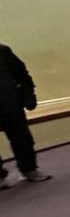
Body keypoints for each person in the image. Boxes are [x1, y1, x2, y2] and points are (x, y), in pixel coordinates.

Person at [0, 42, 51, 187]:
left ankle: (29, 169)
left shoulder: (2, 51)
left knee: (22, 138)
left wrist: (29, 96)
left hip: (10, 104)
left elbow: (22, 74)